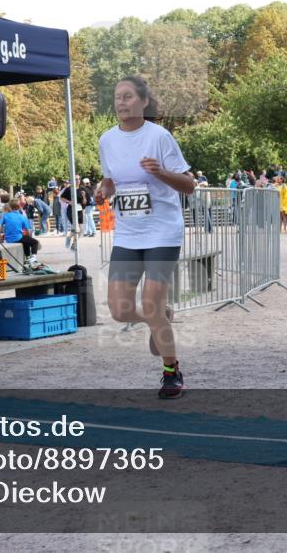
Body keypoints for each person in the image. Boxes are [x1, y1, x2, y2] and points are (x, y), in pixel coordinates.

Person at [96, 76, 195, 400]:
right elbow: (111, 181)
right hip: (128, 231)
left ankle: (171, 371)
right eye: (117, 97)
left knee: (151, 301)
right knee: (119, 310)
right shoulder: (107, 140)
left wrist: (160, 173)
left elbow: (188, 184)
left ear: (143, 102)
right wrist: (104, 190)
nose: (121, 102)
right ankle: (161, 317)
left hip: (162, 231)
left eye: (127, 96)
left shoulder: (159, 137)